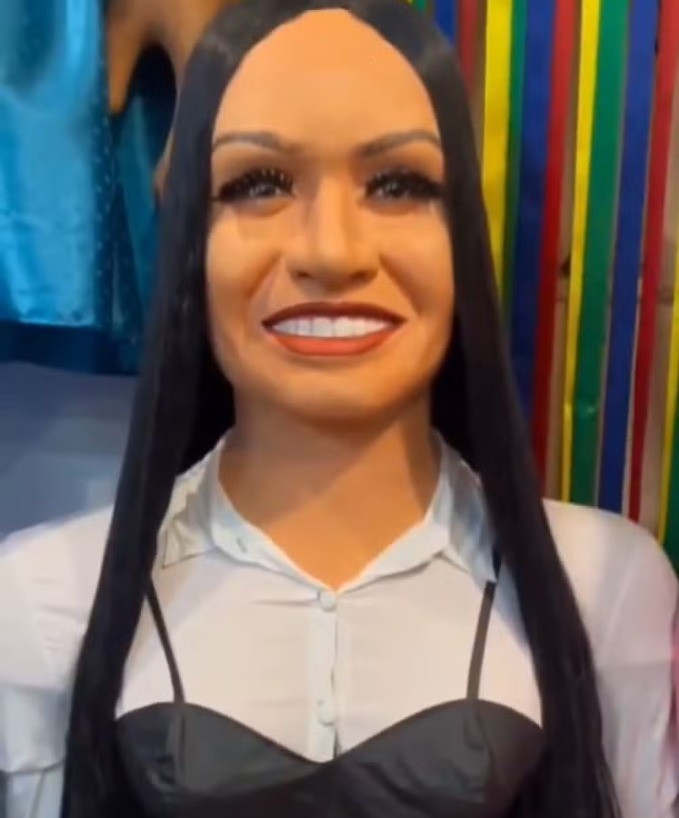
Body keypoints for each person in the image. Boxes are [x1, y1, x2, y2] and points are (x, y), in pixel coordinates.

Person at [1, 1, 677, 816]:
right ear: (186, 231)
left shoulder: (603, 584)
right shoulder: (43, 601)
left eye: (397, 185)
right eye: (258, 184)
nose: (331, 252)